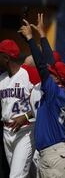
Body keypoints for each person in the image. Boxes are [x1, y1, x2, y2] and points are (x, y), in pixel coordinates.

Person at [19, 19, 65, 177]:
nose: (47, 75)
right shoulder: (60, 90)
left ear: (57, 79)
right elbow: (49, 63)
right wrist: (43, 35)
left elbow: (42, 66)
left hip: (53, 154)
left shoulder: (54, 92)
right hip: (52, 152)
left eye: (51, 74)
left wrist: (30, 39)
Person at [0, 38, 39, 178]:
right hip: (7, 131)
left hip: (25, 131)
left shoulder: (28, 73)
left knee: (16, 176)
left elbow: (43, 102)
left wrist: (27, 116)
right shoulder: (2, 78)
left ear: (6, 58)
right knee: (22, 174)